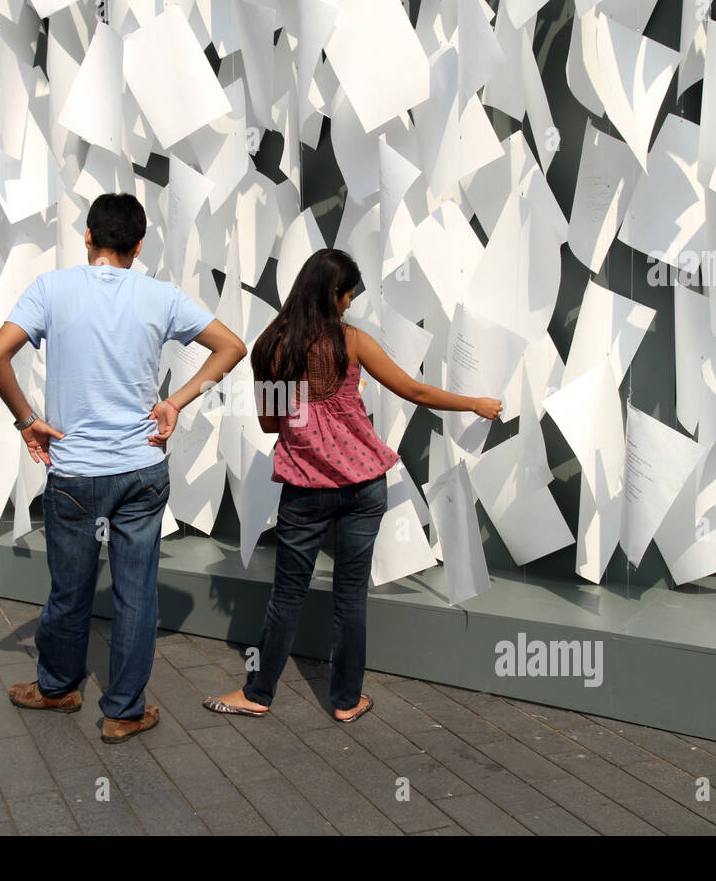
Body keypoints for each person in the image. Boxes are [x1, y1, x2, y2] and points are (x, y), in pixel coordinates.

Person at [0, 193, 247, 744]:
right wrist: (177, 401)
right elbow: (232, 347)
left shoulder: (52, 289)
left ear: (87, 237)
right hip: (141, 470)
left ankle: (57, 688)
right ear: (139, 246)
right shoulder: (161, 296)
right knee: (135, 593)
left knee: (68, 590)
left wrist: (27, 419)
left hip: (73, 474)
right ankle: (123, 710)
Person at [202, 248, 503, 723]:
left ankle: (259, 694)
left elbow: (267, 422)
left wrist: (301, 407)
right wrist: (475, 403)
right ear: (332, 294)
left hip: (305, 490)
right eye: (347, 296)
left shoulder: (271, 346)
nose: (348, 304)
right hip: (364, 485)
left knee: (287, 596)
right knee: (350, 596)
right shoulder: (352, 343)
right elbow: (415, 391)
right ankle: (345, 701)